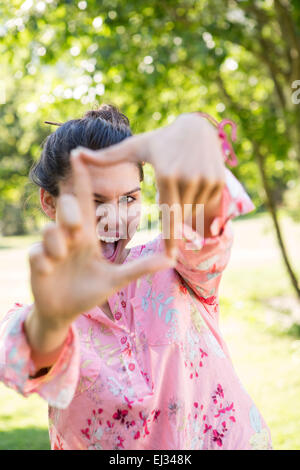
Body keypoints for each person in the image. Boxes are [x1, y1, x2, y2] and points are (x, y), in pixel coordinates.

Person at [0, 104, 272, 450]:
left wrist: (191, 149)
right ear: (49, 203)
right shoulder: (46, 313)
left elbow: (204, 227)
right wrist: (53, 319)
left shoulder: (174, 262)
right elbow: (27, 356)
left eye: (129, 198)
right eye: (93, 199)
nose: (114, 219)